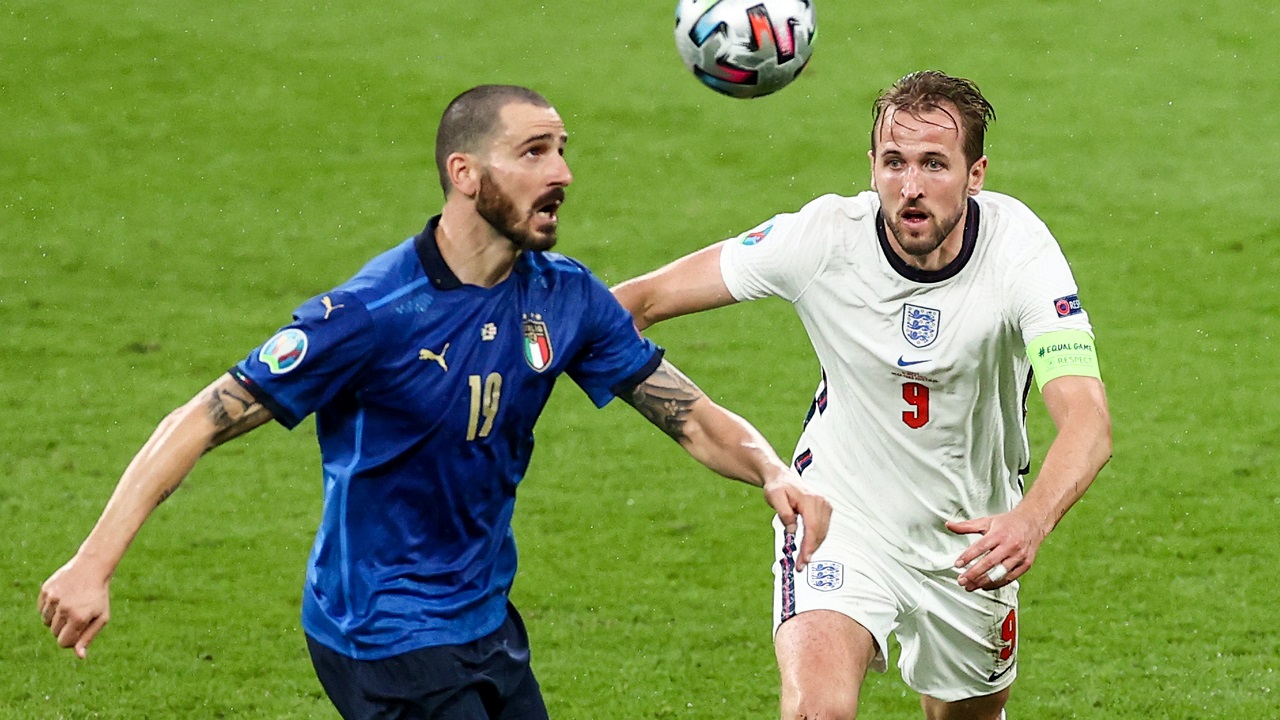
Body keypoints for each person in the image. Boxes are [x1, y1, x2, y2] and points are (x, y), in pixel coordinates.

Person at [38, 84, 831, 720]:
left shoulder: (564, 298)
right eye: (534, 152)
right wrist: (93, 564)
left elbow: (685, 413)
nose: (561, 173)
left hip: (483, 618)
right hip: (381, 633)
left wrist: (770, 470)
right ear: (465, 173)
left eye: (562, 150)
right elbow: (201, 420)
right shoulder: (370, 314)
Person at [611, 70, 1112, 720]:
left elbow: (1087, 421)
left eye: (934, 164)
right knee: (817, 712)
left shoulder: (1020, 254)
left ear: (976, 175)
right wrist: (530, 337)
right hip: (839, 517)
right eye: (894, 162)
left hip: (972, 540)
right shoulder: (824, 238)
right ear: (871, 166)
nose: (911, 186)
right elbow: (638, 303)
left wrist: (1030, 520)